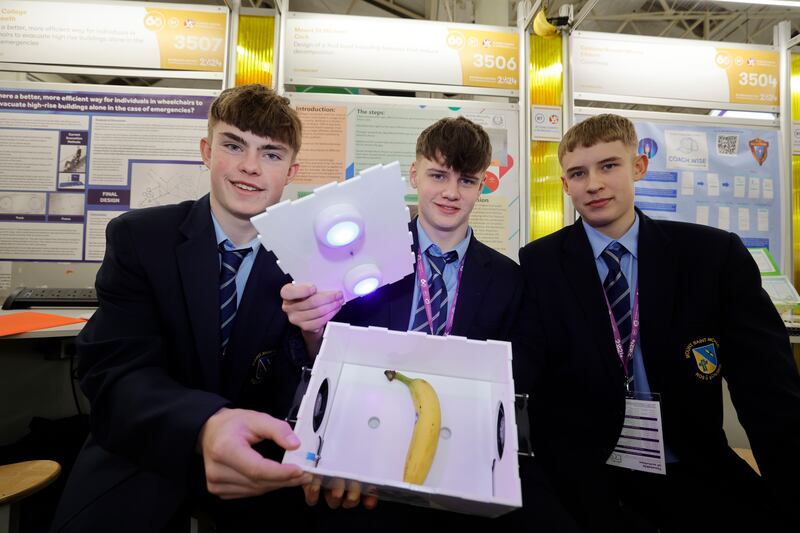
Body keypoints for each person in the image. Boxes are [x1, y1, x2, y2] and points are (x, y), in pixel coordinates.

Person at [51, 84, 360, 532]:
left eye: (270, 154)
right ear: (206, 150)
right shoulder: (141, 239)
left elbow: (315, 387)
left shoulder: (317, 258)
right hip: (147, 446)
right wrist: (204, 423)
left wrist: (316, 340)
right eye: (234, 146)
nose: (250, 167)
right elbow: (112, 373)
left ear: (291, 171)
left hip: (263, 458)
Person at [282, 117, 577, 530]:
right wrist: (311, 331)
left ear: (482, 186)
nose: (451, 193)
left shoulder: (510, 279)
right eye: (438, 175)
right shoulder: (360, 257)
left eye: (467, 181)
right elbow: (323, 353)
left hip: (460, 459)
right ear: (415, 174)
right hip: (362, 447)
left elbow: (523, 369)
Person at [513, 113, 800, 532]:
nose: (593, 184)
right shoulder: (539, 265)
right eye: (578, 173)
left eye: (608, 166)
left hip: (689, 467)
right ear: (564, 185)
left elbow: (769, 393)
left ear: (639, 167)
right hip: (587, 478)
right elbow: (529, 386)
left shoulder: (710, 257)